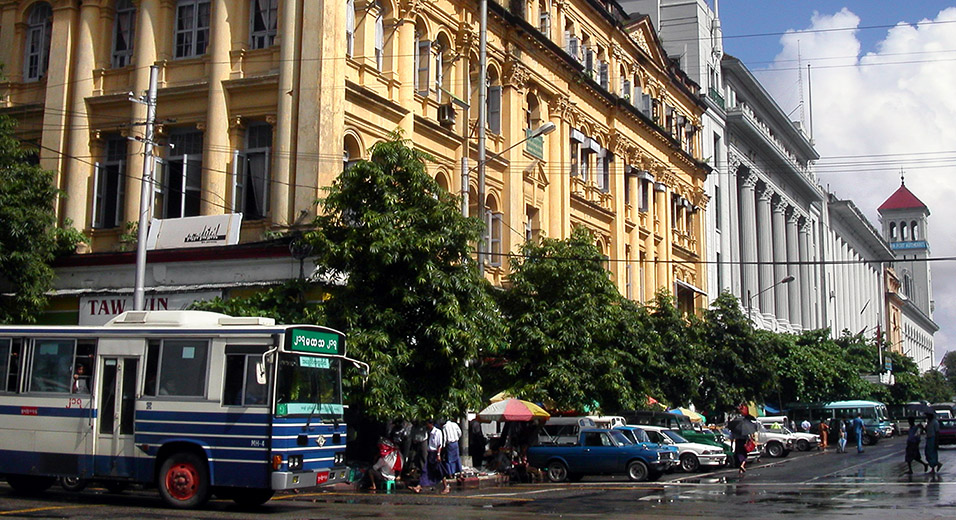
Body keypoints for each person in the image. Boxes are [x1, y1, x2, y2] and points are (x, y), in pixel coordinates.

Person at [410, 418, 449, 494]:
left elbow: (439, 445)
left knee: (439, 471)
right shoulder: (429, 432)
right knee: (425, 470)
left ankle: (446, 486)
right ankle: (419, 486)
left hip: (435, 453)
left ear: (431, 424)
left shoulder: (438, 432)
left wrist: (438, 455)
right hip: (430, 453)